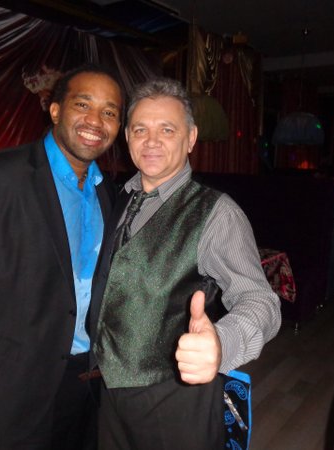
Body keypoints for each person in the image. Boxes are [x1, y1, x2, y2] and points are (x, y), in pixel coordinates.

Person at [0, 64, 124, 450]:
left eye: (109, 112)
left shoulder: (107, 190)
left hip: (90, 372)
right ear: (55, 110)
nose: (95, 120)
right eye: (83, 104)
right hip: (20, 376)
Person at [90, 77, 282, 449]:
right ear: (127, 138)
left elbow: (261, 301)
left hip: (176, 398)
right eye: (140, 130)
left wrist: (222, 343)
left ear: (191, 138)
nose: (151, 141)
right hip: (111, 391)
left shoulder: (217, 213)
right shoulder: (120, 198)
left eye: (167, 129)